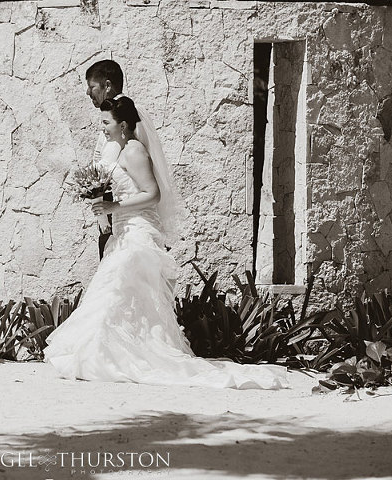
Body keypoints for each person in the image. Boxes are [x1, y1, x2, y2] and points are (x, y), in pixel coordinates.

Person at [43, 97, 289, 389]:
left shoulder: (134, 151)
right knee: (126, 297)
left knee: (116, 289)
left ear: (123, 125)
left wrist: (114, 208)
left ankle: (109, 355)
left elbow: (153, 194)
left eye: (106, 123)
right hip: (124, 231)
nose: (103, 128)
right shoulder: (122, 149)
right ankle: (108, 353)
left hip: (138, 231)